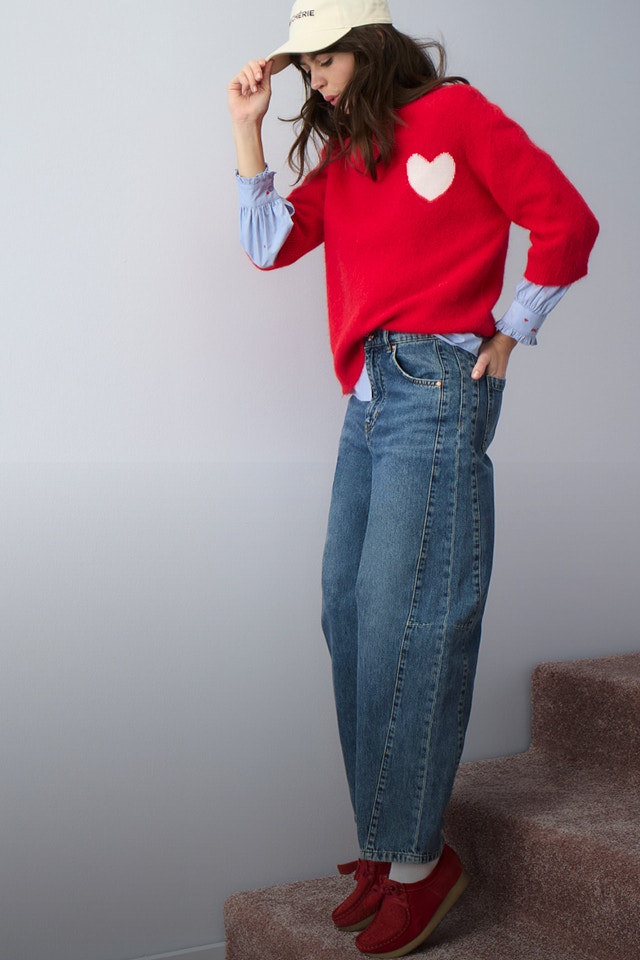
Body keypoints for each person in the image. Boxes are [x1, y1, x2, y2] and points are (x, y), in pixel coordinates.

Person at [227, 1, 599, 956]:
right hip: (370, 399)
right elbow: (267, 244)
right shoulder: (347, 154)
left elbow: (566, 218)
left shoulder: (459, 116)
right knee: (347, 611)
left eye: (317, 60)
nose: (308, 77)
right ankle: (390, 841)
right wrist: (242, 127)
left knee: (410, 615)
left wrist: (514, 326)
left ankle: (415, 859)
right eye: (300, 65)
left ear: (366, 47)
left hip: (437, 384)